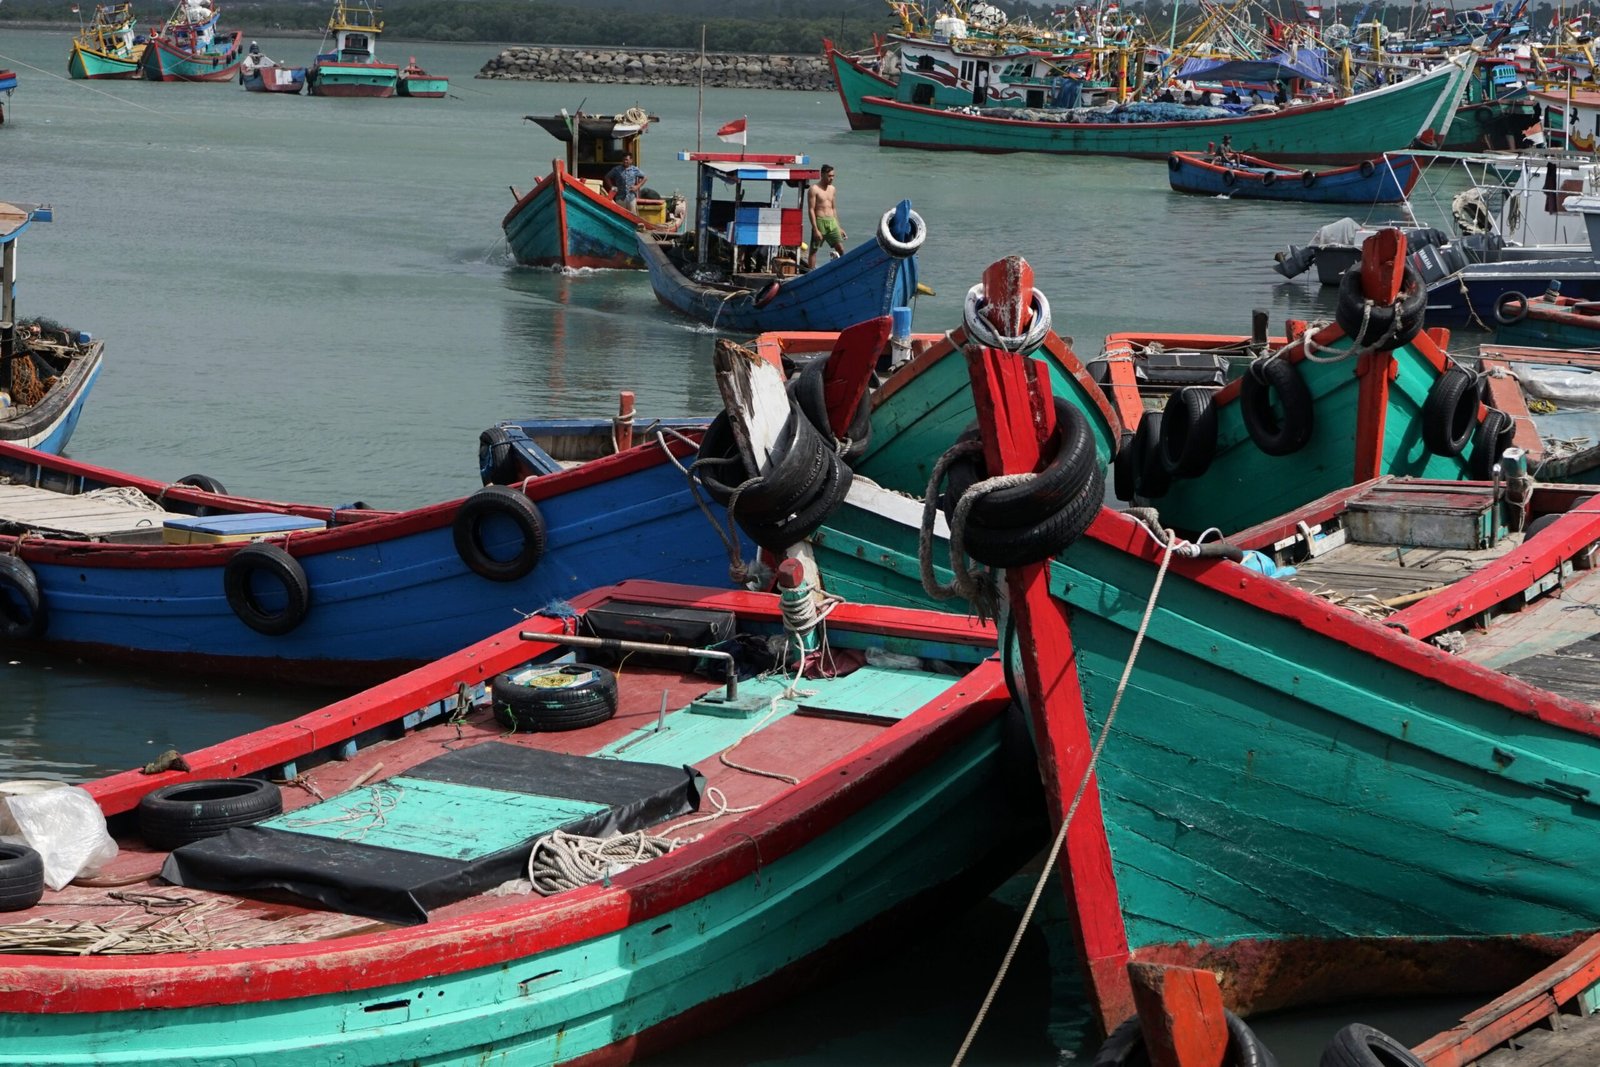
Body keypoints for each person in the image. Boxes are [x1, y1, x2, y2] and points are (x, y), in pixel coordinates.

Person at [806, 164, 846, 269]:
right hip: (820, 222)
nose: (831, 178)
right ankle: (811, 273)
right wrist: (815, 229)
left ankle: (841, 269)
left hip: (832, 222)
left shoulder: (832, 189)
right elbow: (811, 209)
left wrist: (839, 227)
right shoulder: (814, 189)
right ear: (822, 175)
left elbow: (833, 208)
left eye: (833, 176)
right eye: (829, 176)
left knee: (841, 249)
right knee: (814, 250)